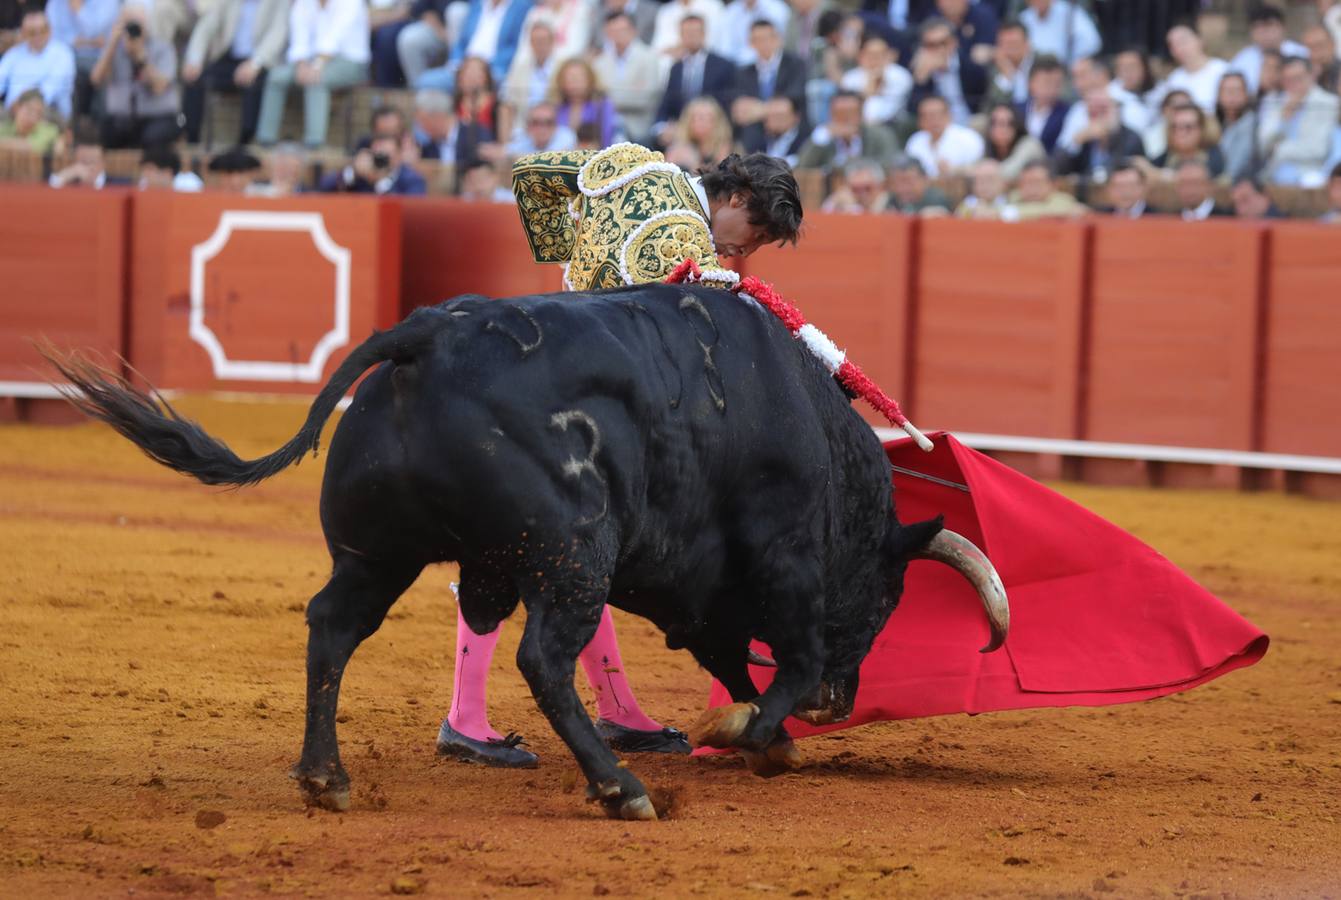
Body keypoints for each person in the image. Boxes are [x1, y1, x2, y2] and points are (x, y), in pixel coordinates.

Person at [436, 146, 803, 765]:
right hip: (594, 414)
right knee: (548, 548)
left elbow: (532, 175)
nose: (748, 249)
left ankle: (610, 709)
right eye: (757, 232)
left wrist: (569, 263)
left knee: (575, 553)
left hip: (543, 373)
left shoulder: (633, 164)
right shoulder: (687, 241)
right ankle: (468, 717)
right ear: (737, 198)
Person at [254, 0, 370, 148]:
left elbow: (335, 37)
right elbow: (299, 38)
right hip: (310, 60)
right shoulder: (304, 3)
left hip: (350, 62)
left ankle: (314, 143)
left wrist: (316, 66)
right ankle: (266, 139)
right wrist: (301, 64)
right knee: (276, 77)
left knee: (315, 80)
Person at [181, 0, 290, 146]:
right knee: (195, 79)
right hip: (229, 58)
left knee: (253, 84)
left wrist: (254, 63)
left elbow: (277, 34)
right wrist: (194, 60)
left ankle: (245, 143)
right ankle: (192, 139)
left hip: (261, 61)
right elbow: (206, 27)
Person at [90, 5, 182, 150]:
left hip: (157, 115)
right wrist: (112, 44)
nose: (133, 30)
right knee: (106, 132)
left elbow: (159, 87)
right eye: (129, 24)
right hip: (123, 118)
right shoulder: (115, 49)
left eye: (137, 25)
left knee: (153, 136)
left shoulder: (162, 48)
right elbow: (96, 79)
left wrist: (141, 57)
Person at [651, 14, 735, 147]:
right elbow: (667, 102)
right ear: (681, 36)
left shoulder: (723, 66)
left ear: (704, 34)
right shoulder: (676, 68)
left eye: (695, 32)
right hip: (681, 131)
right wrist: (661, 129)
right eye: (687, 32)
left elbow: (727, 103)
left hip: (714, 129)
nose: (691, 36)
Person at [1257, 56, 1340, 188]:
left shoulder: (1328, 103)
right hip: (1274, 174)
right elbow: (1263, 145)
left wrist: (1280, 150)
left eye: (1298, 78)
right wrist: (1283, 119)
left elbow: (1317, 149)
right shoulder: (1275, 101)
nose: (1294, 84)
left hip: (1308, 174)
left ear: (1311, 76)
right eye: (1288, 80)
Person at [416, 0, 532, 92]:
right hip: (465, 65)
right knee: (426, 81)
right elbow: (462, 41)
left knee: (487, 83)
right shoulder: (477, 4)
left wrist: (482, 68)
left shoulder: (521, 6)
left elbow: (515, 46)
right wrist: (457, 63)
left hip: (496, 68)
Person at [592, 10, 663, 142]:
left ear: (634, 30)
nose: (618, 34)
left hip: (639, 131)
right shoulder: (600, 62)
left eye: (622, 30)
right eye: (613, 31)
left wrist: (609, 95)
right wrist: (631, 91)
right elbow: (596, 96)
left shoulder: (649, 57)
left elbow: (645, 98)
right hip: (605, 129)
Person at [730, 19, 808, 134]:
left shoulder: (795, 65)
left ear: (779, 39)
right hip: (757, 134)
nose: (764, 44)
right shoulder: (744, 73)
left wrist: (760, 110)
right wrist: (773, 109)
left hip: (792, 131)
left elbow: (791, 102)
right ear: (751, 43)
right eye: (758, 40)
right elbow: (741, 111)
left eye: (768, 38)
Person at [906, 16, 987, 125]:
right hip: (934, 127)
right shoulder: (917, 70)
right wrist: (921, 79)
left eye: (943, 43)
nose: (939, 49)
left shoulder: (971, 68)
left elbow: (982, 101)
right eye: (931, 45)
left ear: (954, 42)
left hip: (969, 124)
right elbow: (912, 111)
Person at [1054, 86, 1144, 181]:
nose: (1099, 117)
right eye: (1093, 112)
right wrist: (1075, 143)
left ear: (1116, 110)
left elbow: (1116, 172)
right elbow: (1057, 170)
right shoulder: (1085, 139)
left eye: (1103, 110)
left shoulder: (1130, 138)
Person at [0, 8, 76, 120]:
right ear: (23, 33)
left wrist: (23, 106)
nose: (38, 36)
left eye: (42, 30)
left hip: (48, 113)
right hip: (12, 113)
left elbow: (49, 90)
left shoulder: (63, 54)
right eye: (32, 32)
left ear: (50, 30)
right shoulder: (14, 54)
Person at [797, 89, 898, 170]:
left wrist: (849, 164)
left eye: (849, 113)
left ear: (861, 115)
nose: (844, 119)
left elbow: (889, 164)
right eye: (838, 114)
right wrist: (820, 140)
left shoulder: (880, 135)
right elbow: (803, 168)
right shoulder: (824, 137)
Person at [319, 120, 428, 194]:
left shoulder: (412, 180)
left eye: (386, 155)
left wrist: (380, 181)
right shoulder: (361, 176)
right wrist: (352, 173)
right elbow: (323, 188)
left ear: (398, 155)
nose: (380, 159)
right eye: (377, 153)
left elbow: (408, 210)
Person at [1229, 6, 1307, 97]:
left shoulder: (1301, 53)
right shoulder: (1241, 60)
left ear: (1283, 27)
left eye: (1269, 25)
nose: (1264, 32)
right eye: (1258, 27)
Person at [840, 32, 910, 128]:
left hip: (892, 126)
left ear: (888, 56)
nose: (875, 58)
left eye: (880, 54)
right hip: (855, 126)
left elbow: (885, 113)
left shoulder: (900, 75)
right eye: (870, 54)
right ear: (861, 55)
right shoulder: (850, 78)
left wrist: (873, 90)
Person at [904, 92, 984, 176]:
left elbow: (979, 169)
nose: (931, 120)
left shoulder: (969, 138)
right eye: (925, 116)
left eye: (935, 115)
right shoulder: (915, 140)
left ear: (948, 115)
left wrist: (955, 170)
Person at [1157, 24, 1229, 115]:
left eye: (1183, 41)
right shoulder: (1174, 80)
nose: (1179, 48)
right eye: (1172, 45)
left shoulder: (1223, 70)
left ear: (1200, 40)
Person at [550, 57, 620, 149]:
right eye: (570, 77)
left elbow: (607, 138)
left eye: (579, 77)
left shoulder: (602, 105)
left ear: (590, 79)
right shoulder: (555, 107)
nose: (575, 82)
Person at [1149, 103, 1225, 179]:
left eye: (1188, 127)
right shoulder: (1167, 157)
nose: (1180, 133)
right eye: (1174, 127)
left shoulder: (1214, 154)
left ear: (1202, 129)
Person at [1017, 0, 1100, 66]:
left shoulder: (1070, 13)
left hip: (1065, 71)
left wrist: (1074, 63)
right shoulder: (1024, 18)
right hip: (1032, 72)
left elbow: (1092, 43)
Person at [1016, 53, 1070, 154]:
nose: (1052, 89)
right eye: (1047, 83)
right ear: (1030, 83)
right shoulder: (1016, 110)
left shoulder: (1067, 113)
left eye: (1057, 84)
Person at [981, 100, 1045, 181]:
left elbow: (1008, 173)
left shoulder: (1030, 144)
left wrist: (982, 172)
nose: (1003, 129)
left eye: (1009, 124)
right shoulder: (986, 145)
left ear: (1017, 125)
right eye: (997, 123)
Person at [1002, 158, 1085, 220]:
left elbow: (1060, 211)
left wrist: (1012, 212)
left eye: (1037, 182)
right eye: (1026, 183)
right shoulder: (1012, 197)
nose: (1031, 189)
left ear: (1053, 185)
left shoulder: (1064, 201)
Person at [713, 0, 789, 66]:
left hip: (770, 64)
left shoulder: (777, 9)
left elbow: (778, 44)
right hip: (737, 67)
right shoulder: (730, 12)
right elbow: (726, 48)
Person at [739, 94, 808, 166]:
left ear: (796, 117)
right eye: (769, 116)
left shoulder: (805, 143)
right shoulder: (757, 141)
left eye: (779, 116)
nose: (773, 121)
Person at [667, 95, 736, 167]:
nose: (704, 123)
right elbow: (667, 170)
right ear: (688, 121)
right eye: (700, 118)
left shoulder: (723, 148)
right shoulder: (679, 147)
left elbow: (723, 172)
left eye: (709, 118)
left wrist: (693, 164)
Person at [1215, 72, 1260, 183]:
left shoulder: (1254, 125)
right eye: (1227, 91)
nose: (1232, 96)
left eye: (1237, 90)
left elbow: (1234, 170)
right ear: (1219, 96)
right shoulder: (1217, 125)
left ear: (1247, 95)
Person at [983, 19, 1031, 108]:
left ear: (1027, 44)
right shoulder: (995, 69)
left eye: (1013, 43)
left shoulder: (1041, 63)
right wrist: (1007, 75)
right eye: (1004, 44)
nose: (1009, 50)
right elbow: (993, 106)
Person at [49, 131, 124, 188]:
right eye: (83, 162)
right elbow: (49, 189)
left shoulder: (119, 185)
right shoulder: (70, 182)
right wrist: (64, 176)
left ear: (103, 163)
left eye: (92, 162)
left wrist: (92, 183)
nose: (87, 168)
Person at [651, 0, 723, 58]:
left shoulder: (714, 7)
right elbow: (658, 50)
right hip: (672, 65)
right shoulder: (665, 11)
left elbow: (714, 45)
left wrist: (686, 47)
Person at [0, 87, 61, 155]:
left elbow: (34, 147)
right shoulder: (4, 128)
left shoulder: (49, 131)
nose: (33, 118)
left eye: (39, 114)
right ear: (16, 107)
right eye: (29, 111)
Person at [505, 99, 576, 156]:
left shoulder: (566, 136)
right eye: (536, 123)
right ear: (528, 126)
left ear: (556, 125)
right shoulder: (520, 137)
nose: (542, 128)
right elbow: (506, 153)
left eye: (548, 122)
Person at [886, 154, 951, 215]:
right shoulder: (893, 199)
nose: (902, 188)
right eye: (897, 183)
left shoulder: (936, 200)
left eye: (908, 182)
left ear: (925, 180)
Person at [821, 156, 889, 213]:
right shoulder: (845, 202)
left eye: (867, 188)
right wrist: (834, 201)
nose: (862, 193)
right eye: (856, 189)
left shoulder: (890, 202)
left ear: (880, 186)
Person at [138, 143, 204, 191]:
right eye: (144, 170)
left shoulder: (190, 185)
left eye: (150, 169)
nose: (145, 174)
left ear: (167, 172)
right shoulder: (144, 183)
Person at [1301, 25, 1341, 94]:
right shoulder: (1304, 74)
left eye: (1320, 45)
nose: (1316, 52)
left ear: (1332, 44)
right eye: (1310, 47)